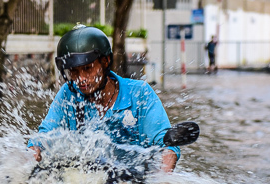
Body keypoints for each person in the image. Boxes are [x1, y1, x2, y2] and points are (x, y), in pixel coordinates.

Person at [27, 24, 179, 173]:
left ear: (105, 61)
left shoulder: (139, 93)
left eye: (87, 69)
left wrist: (159, 181)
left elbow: (166, 145)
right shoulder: (68, 94)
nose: (81, 79)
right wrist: (30, 155)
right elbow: (44, 136)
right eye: (73, 71)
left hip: (132, 180)